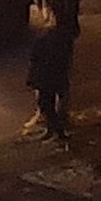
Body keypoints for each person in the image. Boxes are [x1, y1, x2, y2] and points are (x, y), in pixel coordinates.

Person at [25, 13, 73, 142]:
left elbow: (37, 56)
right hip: (52, 74)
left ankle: (57, 131)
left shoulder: (51, 36)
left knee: (45, 102)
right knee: (47, 102)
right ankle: (54, 130)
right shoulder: (59, 35)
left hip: (48, 75)